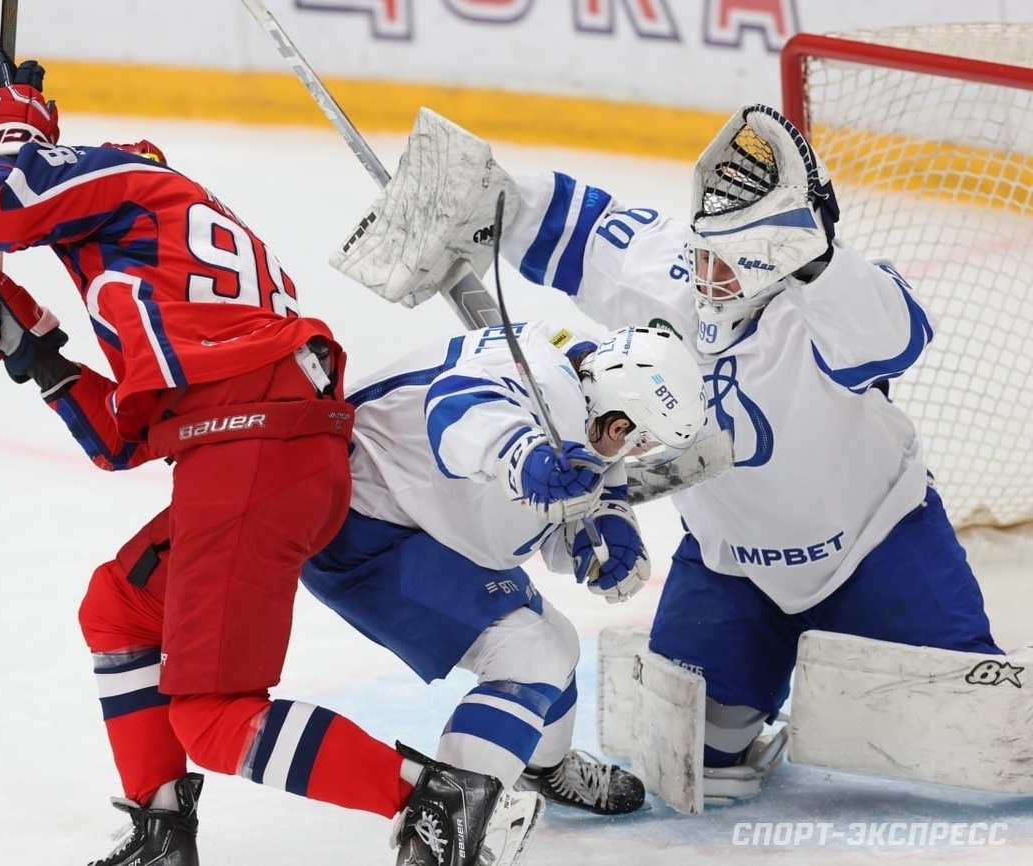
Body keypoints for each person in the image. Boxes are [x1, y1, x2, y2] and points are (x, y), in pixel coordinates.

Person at [0, 44, 542, 866]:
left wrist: (13, 130)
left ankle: (435, 797)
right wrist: (37, 353)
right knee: (116, 605)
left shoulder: (131, 185)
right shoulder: (155, 266)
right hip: (262, 453)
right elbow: (124, 441)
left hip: (254, 457)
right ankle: (162, 835)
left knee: (214, 716)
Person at [326, 104, 1002, 789]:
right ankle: (752, 697)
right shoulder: (667, 270)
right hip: (732, 565)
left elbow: (899, 335)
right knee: (690, 760)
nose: (707, 274)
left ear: (789, 257)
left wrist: (819, 257)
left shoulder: (831, 313)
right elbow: (577, 227)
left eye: (732, 263)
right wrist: (481, 198)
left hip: (878, 546)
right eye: (704, 250)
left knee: (983, 729)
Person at [301, 319, 707, 814]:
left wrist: (603, 521)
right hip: (363, 529)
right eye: (639, 441)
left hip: (413, 519)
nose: (633, 453)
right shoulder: (545, 378)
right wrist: (520, 455)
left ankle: (542, 769)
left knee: (554, 641)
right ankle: (444, 822)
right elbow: (458, 403)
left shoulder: (588, 388)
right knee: (530, 652)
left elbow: (569, 480)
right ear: (621, 424)